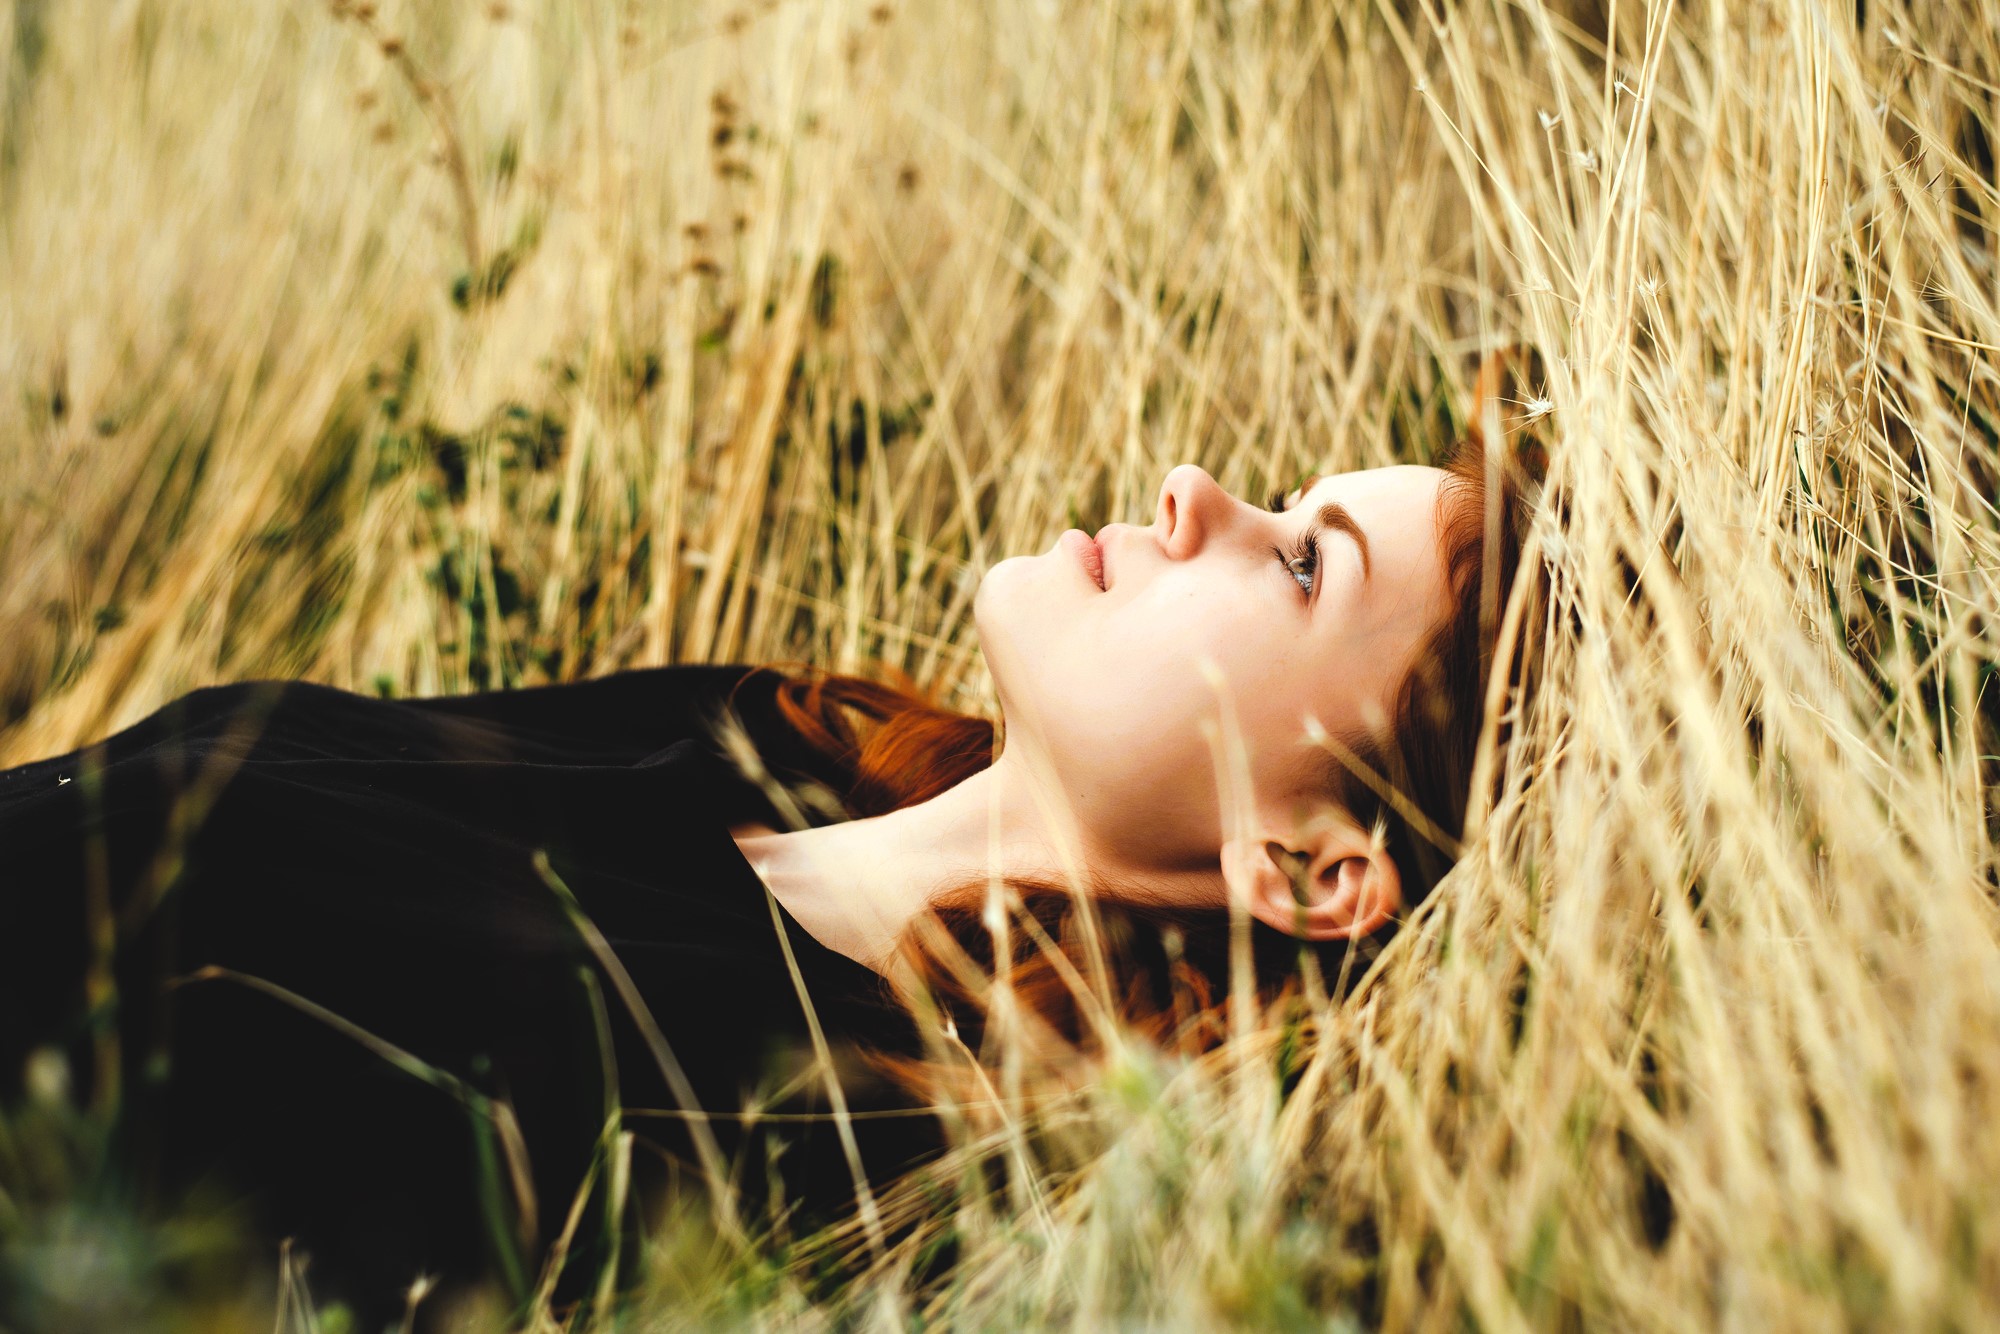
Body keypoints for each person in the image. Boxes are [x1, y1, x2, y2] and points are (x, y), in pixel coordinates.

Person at [0, 445, 1528, 1326]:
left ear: (1316, 871)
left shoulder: (793, 1125)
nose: (1197, 492)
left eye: (1301, 566)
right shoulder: (745, 733)